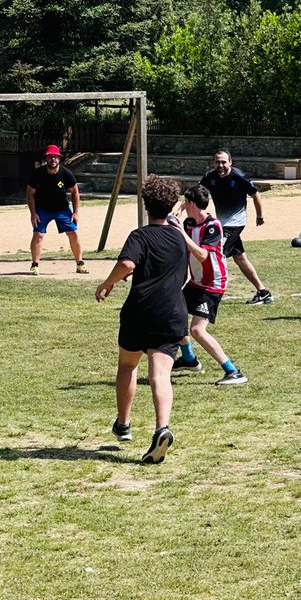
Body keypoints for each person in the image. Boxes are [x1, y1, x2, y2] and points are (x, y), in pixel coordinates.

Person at [96, 175, 188, 463]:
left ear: (145, 204)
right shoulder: (179, 238)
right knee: (160, 374)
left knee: (127, 365)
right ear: (172, 204)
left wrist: (107, 283)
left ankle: (123, 424)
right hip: (173, 312)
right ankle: (162, 428)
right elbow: (185, 275)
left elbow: (127, 263)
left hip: (141, 310)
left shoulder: (140, 236)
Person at [173, 184, 248, 385]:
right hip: (197, 282)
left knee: (197, 330)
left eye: (186, 202)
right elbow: (183, 207)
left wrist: (181, 232)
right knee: (173, 313)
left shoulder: (212, 226)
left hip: (212, 284)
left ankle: (233, 371)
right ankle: (189, 359)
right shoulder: (189, 221)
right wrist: (179, 211)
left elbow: (203, 255)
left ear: (192, 204)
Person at [200, 151, 273, 304]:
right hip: (223, 224)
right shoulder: (210, 177)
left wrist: (259, 216)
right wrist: (181, 209)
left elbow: (256, 195)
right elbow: (196, 193)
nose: (220, 165)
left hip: (235, 223)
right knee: (239, 257)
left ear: (230, 162)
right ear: (214, 163)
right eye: (217, 162)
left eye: (223, 162)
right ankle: (263, 292)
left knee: (214, 255)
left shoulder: (239, 177)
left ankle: (210, 292)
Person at [26, 144, 87, 275]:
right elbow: (30, 193)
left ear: (59, 158)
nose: (52, 160)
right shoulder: (38, 174)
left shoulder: (66, 173)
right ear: (46, 159)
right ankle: (35, 265)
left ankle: (80, 263)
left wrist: (76, 212)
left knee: (73, 233)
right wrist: (33, 213)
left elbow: (75, 192)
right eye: (50, 157)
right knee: (38, 235)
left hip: (62, 209)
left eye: (55, 157)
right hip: (42, 209)